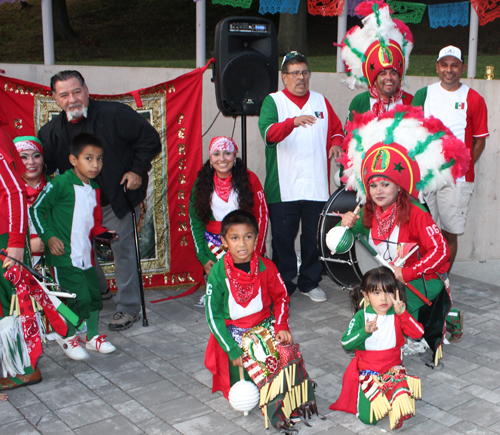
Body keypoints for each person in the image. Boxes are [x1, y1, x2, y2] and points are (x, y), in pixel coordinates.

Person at [338, 105, 471, 364]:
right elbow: (360, 233)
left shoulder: (417, 212)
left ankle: (415, 333)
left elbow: (442, 251)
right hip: (397, 279)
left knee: (386, 301)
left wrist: (406, 273)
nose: (378, 191)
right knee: (374, 298)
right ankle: (383, 337)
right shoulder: (372, 209)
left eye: (385, 184)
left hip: (424, 280)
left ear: (399, 186)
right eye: (373, 185)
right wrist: (349, 223)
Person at [37, 70, 161, 331]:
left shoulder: (114, 114)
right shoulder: (50, 132)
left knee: (123, 250)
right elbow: (43, 166)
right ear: (55, 99)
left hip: (117, 197)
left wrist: (137, 170)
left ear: (86, 89)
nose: (72, 99)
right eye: (64, 95)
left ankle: (128, 308)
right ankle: (101, 289)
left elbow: (150, 139)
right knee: (75, 248)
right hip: (79, 203)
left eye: (76, 91)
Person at [204, 210, 319, 432]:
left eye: (248, 236)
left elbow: (281, 297)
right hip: (235, 331)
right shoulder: (218, 272)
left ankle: (294, 398)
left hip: (265, 324)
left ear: (257, 239)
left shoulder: (267, 266)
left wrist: (281, 325)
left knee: (289, 355)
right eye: (234, 238)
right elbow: (213, 315)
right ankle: (277, 410)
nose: (242, 244)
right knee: (266, 362)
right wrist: (231, 349)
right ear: (224, 242)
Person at [258, 51, 345, 302]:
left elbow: (337, 130)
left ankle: (309, 281)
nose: (301, 78)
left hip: (316, 185)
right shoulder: (272, 101)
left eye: (305, 72)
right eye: (295, 73)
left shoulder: (320, 101)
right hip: (283, 186)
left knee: (314, 238)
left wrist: (336, 144)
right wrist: (293, 122)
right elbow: (268, 133)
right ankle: (284, 283)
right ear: (284, 77)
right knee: (283, 239)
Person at [30, 133, 116, 360]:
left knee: (94, 297)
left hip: (86, 256)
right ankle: (66, 337)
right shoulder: (60, 184)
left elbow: (94, 224)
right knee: (76, 297)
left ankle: (93, 337)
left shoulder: (94, 189)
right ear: (73, 159)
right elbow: (36, 209)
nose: (95, 164)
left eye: (99, 159)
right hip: (63, 256)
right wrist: (48, 237)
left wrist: (104, 233)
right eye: (89, 158)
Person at [412, 46, 489, 272]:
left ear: (462, 68)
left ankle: (442, 280)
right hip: (426, 175)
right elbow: (412, 133)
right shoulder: (423, 95)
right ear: (437, 67)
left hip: (457, 179)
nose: (449, 70)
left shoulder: (474, 99)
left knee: (449, 232)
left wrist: (461, 167)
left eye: (454, 65)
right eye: (444, 64)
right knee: (425, 231)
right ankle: (424, 276)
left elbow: (480, 141)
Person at [330, 267, 424, 430]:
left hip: (393, 371)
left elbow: (418, 333)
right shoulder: (361, 316)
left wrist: (404, 315)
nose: (383, 299)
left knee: (403, 411)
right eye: (376, 293)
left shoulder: (398, 314)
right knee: (368, 419)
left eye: (388, 292)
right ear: (365, 295)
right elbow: (346, 343)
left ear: (395, 293)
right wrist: (364, 332)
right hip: (369, 374)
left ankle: (393, 393)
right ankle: (379, 398)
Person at [189, 136, 268, 277]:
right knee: (220, 292)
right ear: (210, 158)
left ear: (234, 156)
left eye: (227, 153)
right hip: (214, 248)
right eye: (216, 154)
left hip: (245, 245)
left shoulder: (250, 179)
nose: (222, 159)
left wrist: (256, 250)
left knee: (248, 290)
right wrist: (203, 257)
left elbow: (262, 217)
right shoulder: (201, 184)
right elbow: (196, 221)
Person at [0, 130, 42, 392]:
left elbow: (14, 190)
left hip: (5, 237)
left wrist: (15, 242)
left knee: (11, 304)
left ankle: (24, 369)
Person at [339, 0, 414, 123]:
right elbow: (349, 138)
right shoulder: (360, 102)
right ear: (374, 77)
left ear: (399, 76)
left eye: (393, 73)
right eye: (383, 73)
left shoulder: (411, 101)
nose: (389, 78)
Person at [13, 136, 48, 266]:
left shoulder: (57, 189)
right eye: (23, 157)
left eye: (36, 155)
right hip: (20, 271)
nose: (31, 162)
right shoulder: (7, 195)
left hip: (59, 269)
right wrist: (28, 247)